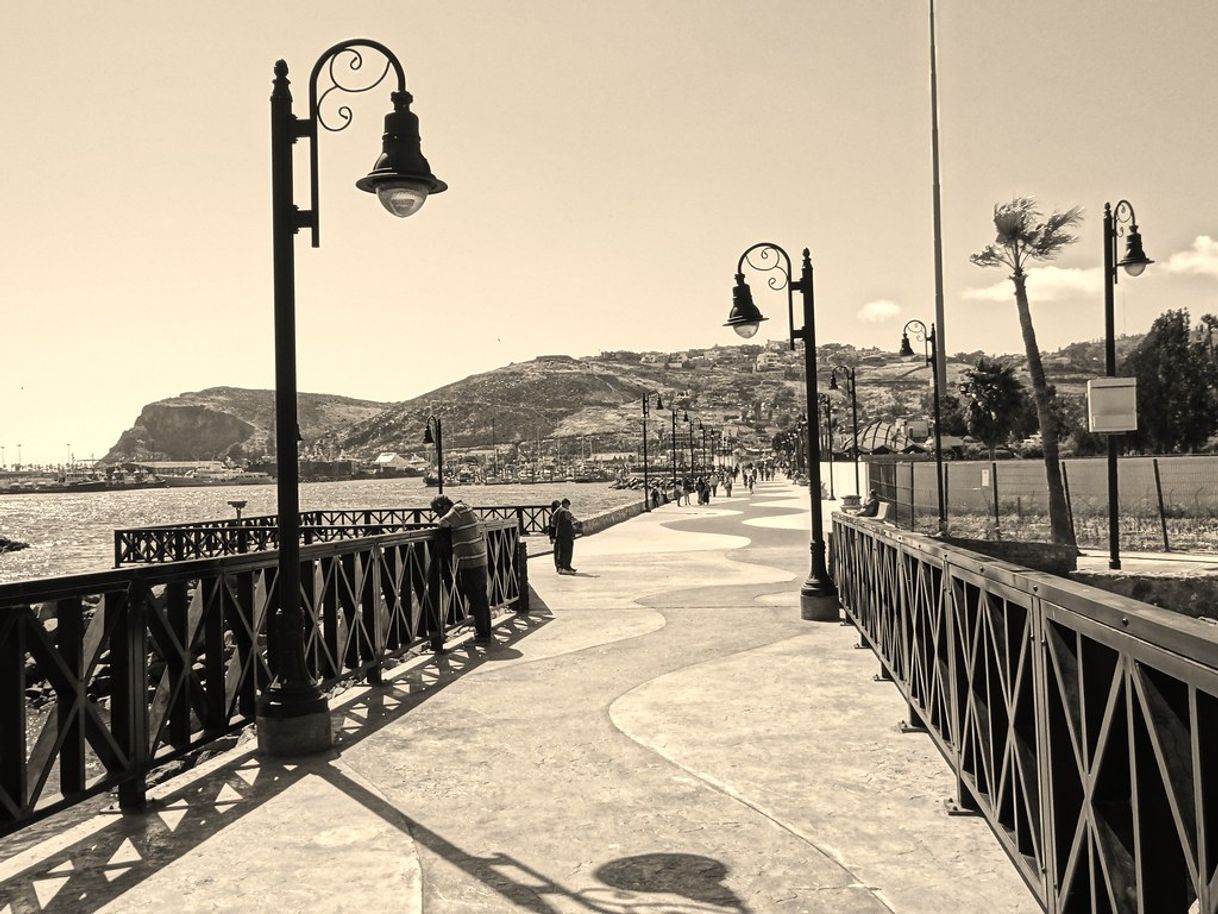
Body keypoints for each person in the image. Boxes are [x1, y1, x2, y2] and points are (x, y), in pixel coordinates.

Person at [431, 494, 492, 643]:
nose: (438, 515)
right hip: (478, 559)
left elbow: (443, 523)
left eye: (437, 511)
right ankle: (485, 630)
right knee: (481, 598)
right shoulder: (465, 508)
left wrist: (442, 522)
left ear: (444, 506)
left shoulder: (458, 510)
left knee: (475, 598)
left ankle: (483, 634)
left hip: (470, 561)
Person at [553, 497, 581, 574]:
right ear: (566, 504)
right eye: (568, 505)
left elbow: (553, 522)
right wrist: (577, 523)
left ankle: (561, 568)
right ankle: (566, 567)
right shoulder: (565, 511)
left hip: (559, 533)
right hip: (567, 534)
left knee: (561, 551)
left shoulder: (557, 510)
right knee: (567, 551)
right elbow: (573, 520)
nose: (568, 507)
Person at [545, 499, 562, 572]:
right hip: (556, 535)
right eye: (557, 506)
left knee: (560, 551)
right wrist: (552, 537)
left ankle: (561, 566)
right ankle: (558, 566)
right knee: (557, 551)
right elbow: (551, 528)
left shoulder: (559, 515)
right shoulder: (552, 516)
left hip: (560, 535)